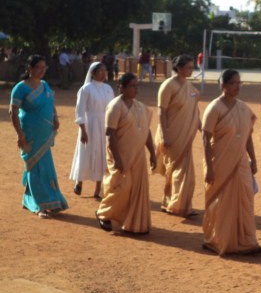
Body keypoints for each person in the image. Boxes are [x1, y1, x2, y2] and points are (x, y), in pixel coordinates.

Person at [201, 69, 261, 256]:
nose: (238, 86)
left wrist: (253, 159)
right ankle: (217, 240)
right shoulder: (214, 108)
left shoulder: (243, 108)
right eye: (233, 83)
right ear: (223, 85)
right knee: (221, 203)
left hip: (241, 163)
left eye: (239, 83)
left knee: (245, 201)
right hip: (220, 163)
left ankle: (247, 241)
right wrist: (209, 168)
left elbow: (248, 136)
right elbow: (205, 139)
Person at [95, 73, 156, 234]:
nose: (136, 89)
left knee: (135, 189)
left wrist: (152, 152)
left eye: (137, 86)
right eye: (132, 86)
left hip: (138, 156)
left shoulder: (140, 107)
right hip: (121, 155)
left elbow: (146, 131)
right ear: (121, 88)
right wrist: (117, 159)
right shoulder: (115, 106)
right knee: (121, 188)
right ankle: (103, 213)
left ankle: (134, 223)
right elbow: (110, 134)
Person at [10, 55, 68, 218]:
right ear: (30, 68)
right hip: (30, 134)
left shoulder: (44, 85)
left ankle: (41, 199)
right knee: (34, 167)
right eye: (39, 67)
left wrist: (55, 117)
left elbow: (51, 102)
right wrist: (20, 136)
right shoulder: (20, 88)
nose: (42, 71)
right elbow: (13, 112)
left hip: (45, 133)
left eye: (44, 67)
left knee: (45, 167)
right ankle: (39, 205)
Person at [154, 55, 200, 217]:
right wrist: (165, 136)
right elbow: (161, 111)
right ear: (179, 68)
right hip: (172, 134)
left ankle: (176, 204)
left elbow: (194, 112)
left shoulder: (190, 87)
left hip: (185, 136)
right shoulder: (168, 85)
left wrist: (204, 129)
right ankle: (175, 204)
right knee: (175, 171)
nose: (191, 70)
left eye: (192, 67)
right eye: (188, 67)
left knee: (185, 174)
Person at [69, 62, 114, 198]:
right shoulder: (86, 89)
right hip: (90, 124)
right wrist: (83, 130)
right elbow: (80, 110)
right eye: (100, 71)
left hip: (104, 124)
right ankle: (79, 181)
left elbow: (112, 108)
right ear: (93, 73)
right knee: (86, 152)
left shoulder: (108, 88)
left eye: (105, 71)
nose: (103, 73)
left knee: (102, 153)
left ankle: (98, 188)